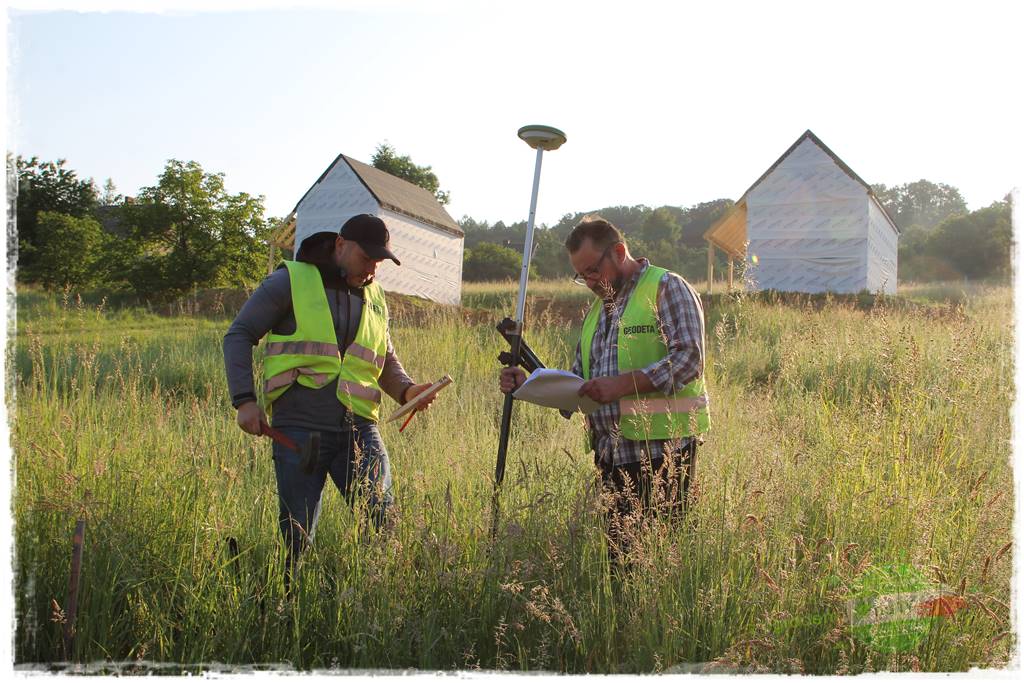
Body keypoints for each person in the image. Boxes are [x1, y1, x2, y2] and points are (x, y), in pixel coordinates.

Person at [224, 213, 437, 585]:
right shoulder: (290, 279)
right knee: (297, 533)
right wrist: (245, 400)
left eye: (378, 262)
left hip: (360, 430)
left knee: (383, 520)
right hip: (301, 430)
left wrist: (407, 389)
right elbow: (239, 334)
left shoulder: (376, 296)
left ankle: (381, 599)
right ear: (340, 245)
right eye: (365, 258)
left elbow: (383, 357)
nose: (371, 268)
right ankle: (288, 605)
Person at [499, 216, 710, 564]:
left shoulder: (667, 287)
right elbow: (579, 385)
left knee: (664, 565)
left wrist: (621, 386)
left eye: (593, 270)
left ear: (619, 251)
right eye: (581, 275)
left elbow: (689, 359)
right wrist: (529, 387)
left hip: (665, 454)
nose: (589, 282)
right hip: (612, 458)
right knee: (622, 566)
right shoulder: (596, 312)